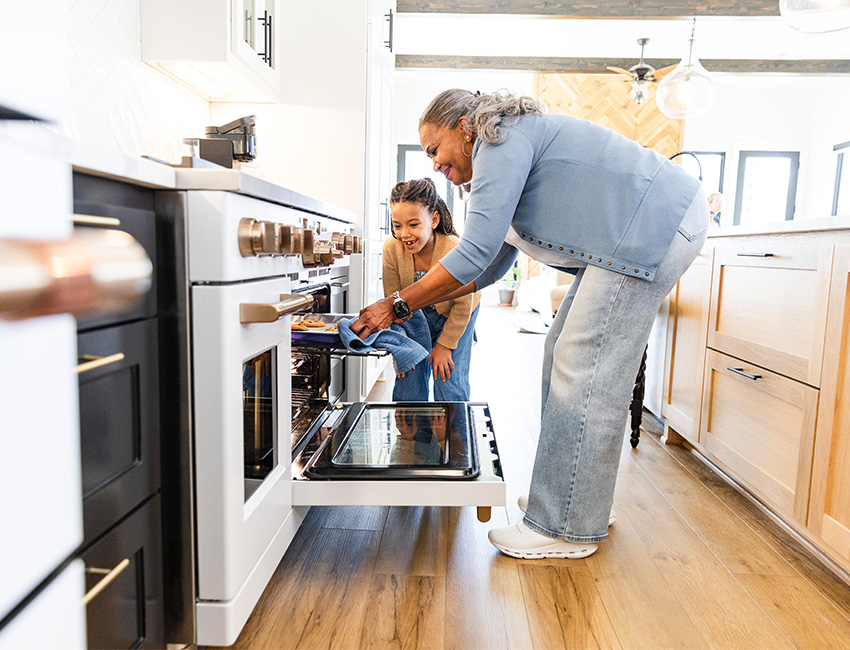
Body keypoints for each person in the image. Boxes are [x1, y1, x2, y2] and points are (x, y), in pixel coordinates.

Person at [351, 89, 708, 559]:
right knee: (561, 354)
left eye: (434, 148)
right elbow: (489, 268)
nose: (434, 164)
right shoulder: (502, 151)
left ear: (464, 127)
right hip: (636, 234)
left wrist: (395, 305)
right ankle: (573, 500)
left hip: (655, 225)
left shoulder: (498, 142)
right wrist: (407, 306)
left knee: (583, 367)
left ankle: (565, 525)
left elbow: (474, 254)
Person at [384, 178, 481, 402]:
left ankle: (454, 424)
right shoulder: (391, 249)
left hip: (458, 313)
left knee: (448, 378)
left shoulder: (453, 248)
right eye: (397, 226)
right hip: (413, 317)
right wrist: (403, 349)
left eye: (413, 224)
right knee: (409, 379)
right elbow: (394, 301)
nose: (404, 234)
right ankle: (411, 426)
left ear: (434, 220)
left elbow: (463, 305)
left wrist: (445, 346)